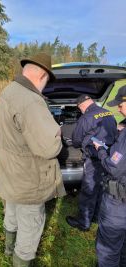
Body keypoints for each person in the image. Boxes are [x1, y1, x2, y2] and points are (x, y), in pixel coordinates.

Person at [0, 53, 66, 267]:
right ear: (43, 75)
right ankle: (21, 260)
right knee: (31, 226)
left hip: (10, 172)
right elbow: (49, 147)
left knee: (13, 210)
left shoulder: (10, 90)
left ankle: (8, 248)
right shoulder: (31, 100)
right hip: (29, 178)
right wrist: (58, 132)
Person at [66, 94, 118, 231]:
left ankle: (84, 222)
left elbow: (76, 140)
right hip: (107, 157)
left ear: (81, 106)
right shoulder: (108, 113)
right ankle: (95, 217)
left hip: (94, 159)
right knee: (101, 188)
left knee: (89, 189)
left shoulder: (86, 118)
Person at [93, 85, 126, 267]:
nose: (118, 109)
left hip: (118, 205)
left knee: (107, 250)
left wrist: (101, 151)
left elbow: (114, 167)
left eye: (120, 105)